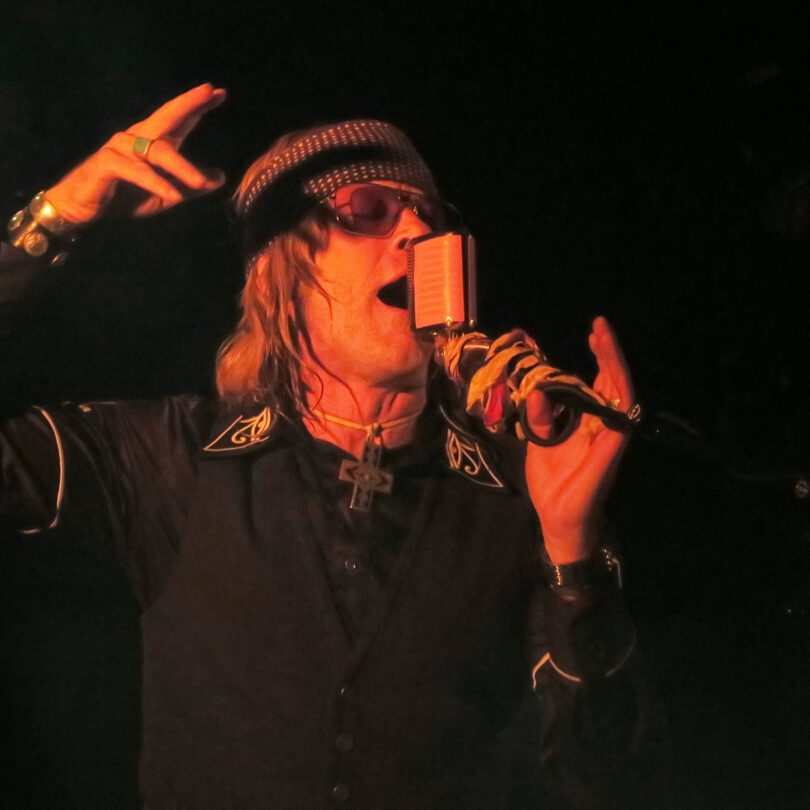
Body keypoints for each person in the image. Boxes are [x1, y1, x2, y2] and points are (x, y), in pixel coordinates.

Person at [1, 84, 658, 809]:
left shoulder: (522, 486)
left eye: (432, 217)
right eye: (368, 210)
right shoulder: (170, 459)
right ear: (276, 271)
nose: (417, 231)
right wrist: (53, 220)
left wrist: (573, 554)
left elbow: (601, 777)